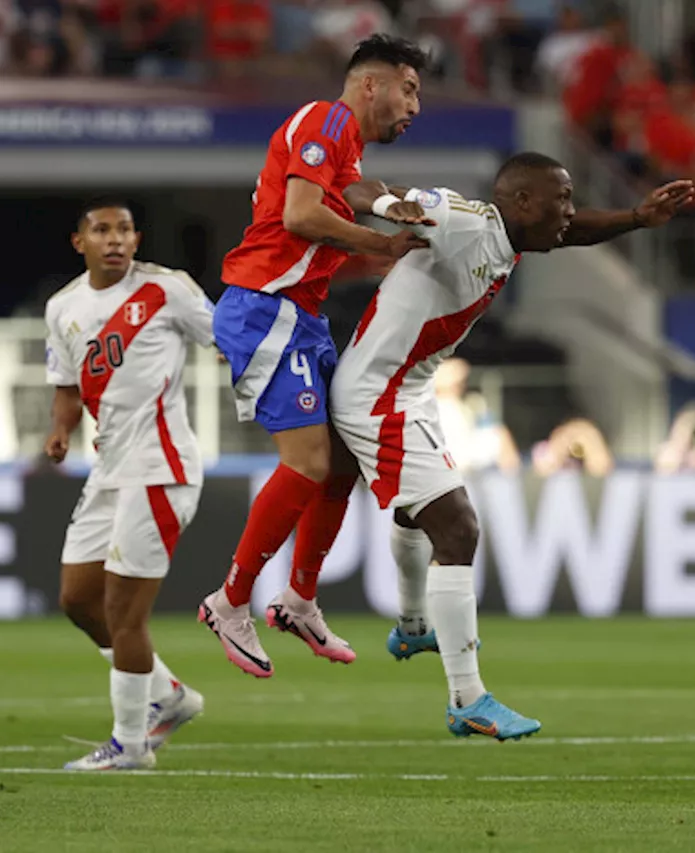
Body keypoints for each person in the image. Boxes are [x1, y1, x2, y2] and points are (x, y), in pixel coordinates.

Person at [329, 153, 693, 739]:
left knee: (420, 513)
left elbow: (573, 233)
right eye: (562, 200)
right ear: (521, 203)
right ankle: (466, 698)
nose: (570, 214)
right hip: (380, 392)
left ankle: (416, 621)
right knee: (458, 529)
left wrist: (635, 217)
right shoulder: (463, 218)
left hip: (409, 387)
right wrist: (389, 206)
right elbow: (355, 188)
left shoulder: (510, 237)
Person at [197, 34, 433, 677]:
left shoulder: (345, 144)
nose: (416, 105)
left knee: (341, 464)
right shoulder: (324, 118)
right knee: (304, 464)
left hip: (299, 315)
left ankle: (299, 598)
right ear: (370, 85)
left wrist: (393, 206)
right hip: (264, 306)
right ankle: (231, 599)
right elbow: (302, 215)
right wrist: (383, 245)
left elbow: (356, 190)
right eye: (409, 89)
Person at [45, 199, 216, 771]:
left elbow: (228, 341)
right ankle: (168, 697)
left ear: (137, 239)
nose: (114, 240)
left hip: (162, 467)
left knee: (124, 611)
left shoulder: (169, 290)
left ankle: (131, 746)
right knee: (78, 598)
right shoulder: (63, 307)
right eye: (101, 230)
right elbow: (68, 385)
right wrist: (58, 431)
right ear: (80, 242)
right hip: (109, 467)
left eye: (123, 230)